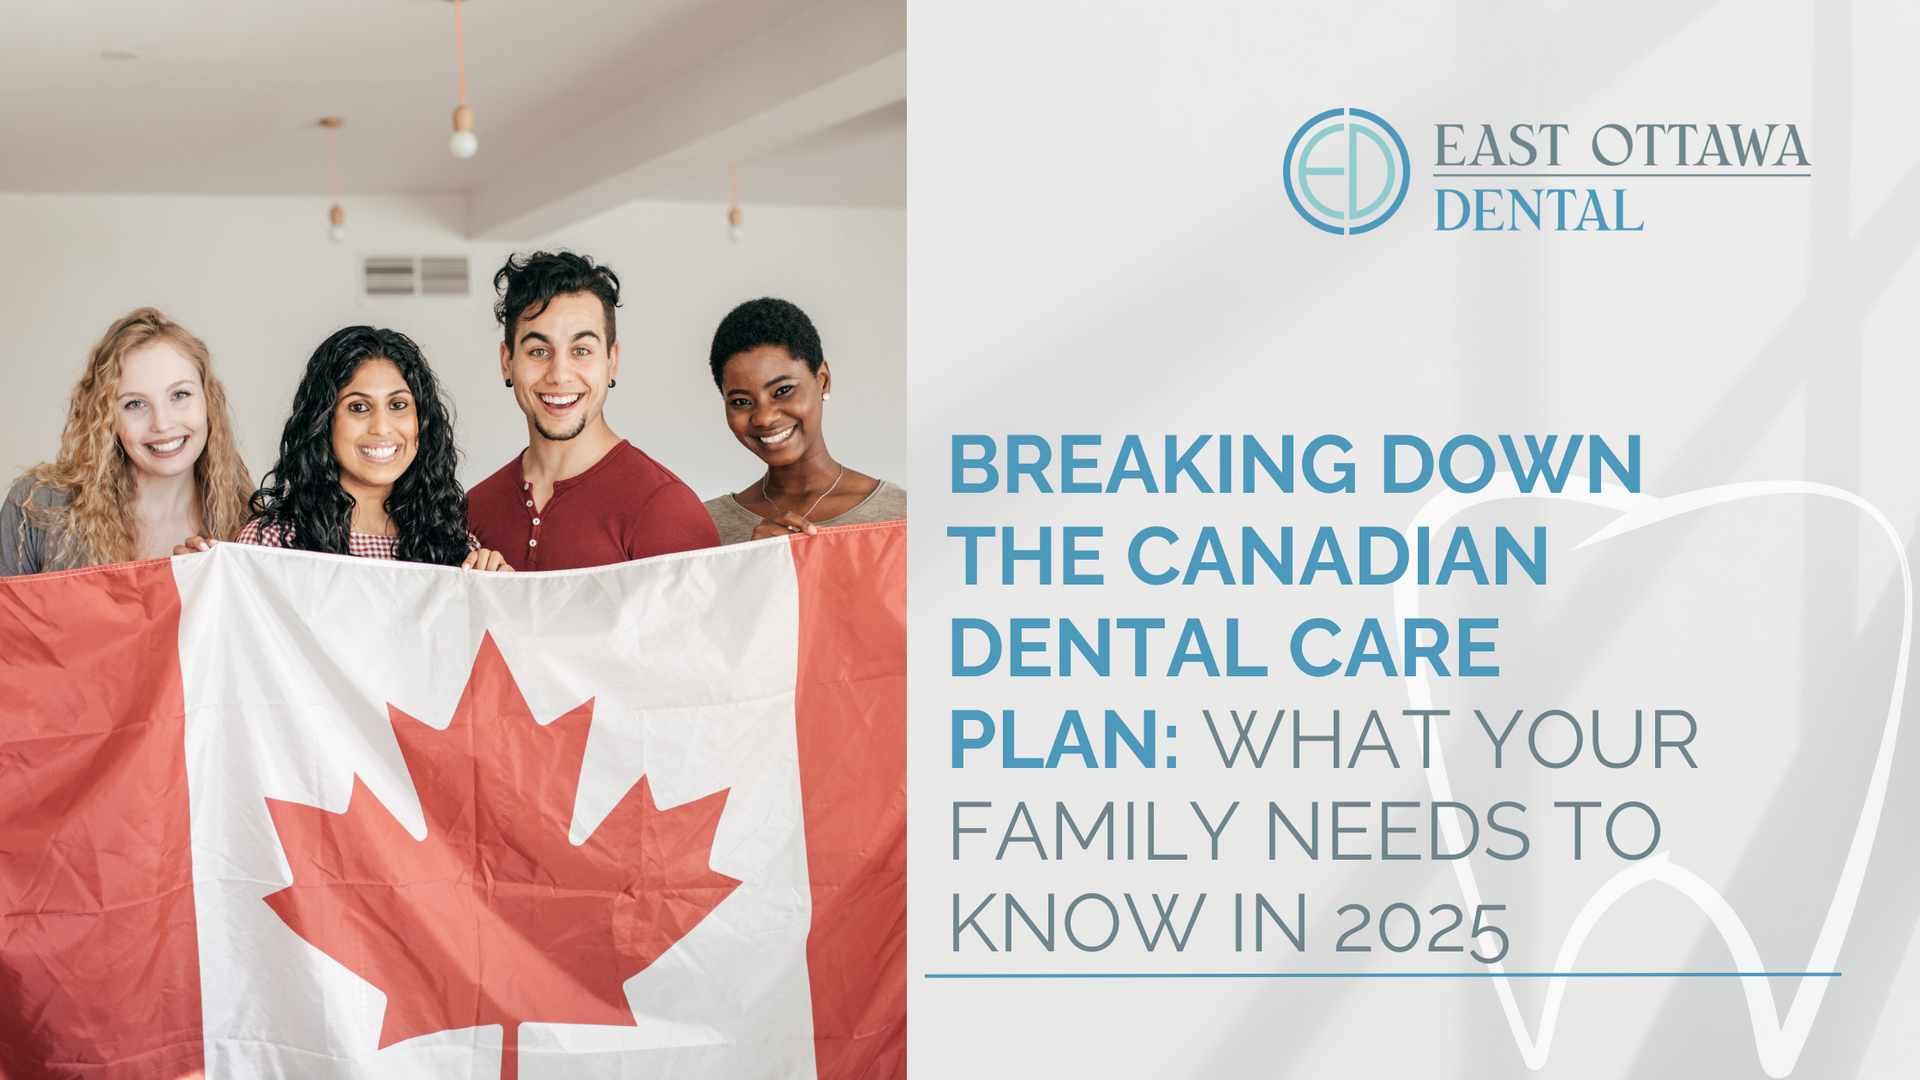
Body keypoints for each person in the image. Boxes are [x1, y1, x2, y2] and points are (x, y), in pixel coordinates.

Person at [467, 251, 718, 570]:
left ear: (611, 361)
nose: (559, 374)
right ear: (508, 362)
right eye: (539, 351)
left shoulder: (666, 509)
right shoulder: (473, 511)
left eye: (581, 350)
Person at [204, 326, 510, 570]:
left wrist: (500, 590)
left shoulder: (455, 545)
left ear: (421, 423)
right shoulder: (269, 543)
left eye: (398, 405)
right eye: (359, 407)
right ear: (325, 422)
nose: (382, 426)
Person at [2, 308, 252, 575]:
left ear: (208, 401)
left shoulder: (249, 527)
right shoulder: (39, 507)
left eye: (180, 394)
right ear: (108, 417)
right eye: (135, 403)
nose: (162, 424)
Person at [703, 297, 905, 543]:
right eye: (741, 402)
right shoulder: (706, 527)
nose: (765, 418)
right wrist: (755, 562)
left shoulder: (901, 515)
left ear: (823, 380)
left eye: (783, 390)